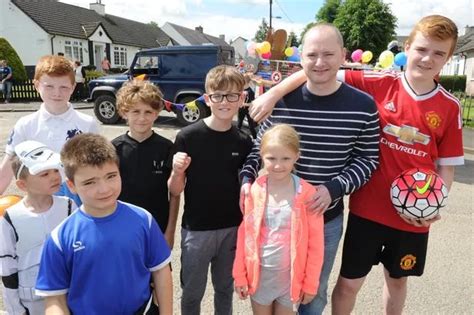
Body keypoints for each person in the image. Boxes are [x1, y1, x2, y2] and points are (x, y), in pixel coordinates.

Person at [249, 15, 464, 315]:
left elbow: (447, 167)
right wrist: (273, 93)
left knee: (397, 281)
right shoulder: (378, 82)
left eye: (439, 53)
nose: (428, 59)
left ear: (448, 57)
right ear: (407, 47)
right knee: (347, 285)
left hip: (412, 213)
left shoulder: (449, 106)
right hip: (367, 211)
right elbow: (319, 71)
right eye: (422, 49)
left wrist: (433, 206)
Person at [240, 23, 380, 315]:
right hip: (274, 219)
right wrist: (247, 178)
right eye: (312, 54)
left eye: (328, 54)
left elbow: (368, 160)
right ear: (300, 58)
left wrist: (335, 188)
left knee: (312, 295)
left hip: (324, 220)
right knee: (269, 286)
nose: (319, 62)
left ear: (343, 56)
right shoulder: (280, 103)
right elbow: (259, 148)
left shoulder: (364, 106)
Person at [35, 133, 173, 314]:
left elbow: (161, 272)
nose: (104, 189)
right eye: (90, 182)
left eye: (111, 176)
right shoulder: (60, 238)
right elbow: (54, 298)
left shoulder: (143, 219)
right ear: (71, 186)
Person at [168, 65, 253, 314]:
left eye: (232, 95)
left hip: (231, 228)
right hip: (197, 229)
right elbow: (175, 190)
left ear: (242, 99)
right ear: (207, 98)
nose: (224, 102)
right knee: (192, 292)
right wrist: (177, 171)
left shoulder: (243, 140)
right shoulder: (187, 136)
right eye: (218, 95)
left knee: (224, 289)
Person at [233, 124, 324, 314]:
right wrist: (239, 274)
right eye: (271, 158)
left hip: (290, 279)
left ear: (296, 157)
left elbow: (316, 245)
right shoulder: (255, 190)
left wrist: (310, 283)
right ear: (261, 155)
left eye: (285, 158)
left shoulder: (307, 194)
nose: (277, 165)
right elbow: (245, 234)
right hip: (260, 277)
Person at [0, 55, 99, 204]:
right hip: (39, 200)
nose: (56, 93)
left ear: (72, 87)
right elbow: (6, 168)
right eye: (49, 86)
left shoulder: (87, 124)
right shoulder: (25, 125)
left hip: (78, 198)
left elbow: (97, 167)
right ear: (36, 85)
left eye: (64, 87)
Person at [0, 140, 76, 314]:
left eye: (56, 170)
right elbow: (7, 269)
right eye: (44, 174)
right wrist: (16, 310)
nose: (55, 177)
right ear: (22, 185)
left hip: (69, 293)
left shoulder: (69, 206)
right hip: (31, 301)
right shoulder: (10, 217)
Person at [112, 79, 180, 248]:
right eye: (135, 111)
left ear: (157, 113)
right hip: (122, 227)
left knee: (158, 273)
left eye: (148, 112)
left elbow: (174, 194)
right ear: (124, 112)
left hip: (157, 227)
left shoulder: (166, 148)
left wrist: (170, 231)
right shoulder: (113, 149)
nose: (142, 118)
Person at [237, 73, 258, 138]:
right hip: (241, 110)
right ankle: (237, 137)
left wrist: (244, 104)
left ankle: (255, 138)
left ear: (245, 82)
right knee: (239, 124)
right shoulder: (241, 90)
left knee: (251, 126)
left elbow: (252, 103)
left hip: (248, 111)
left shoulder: (250, 91)